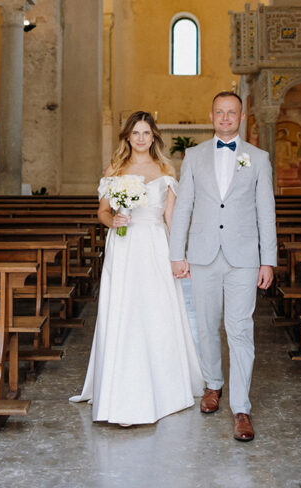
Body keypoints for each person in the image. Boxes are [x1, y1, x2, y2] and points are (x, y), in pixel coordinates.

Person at [70, 111, 203, 426]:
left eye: (147, 133)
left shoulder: (165, 170)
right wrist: (112, 220)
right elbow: (103, 211)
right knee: (124, 312)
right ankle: (119, 389)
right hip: (124, 247)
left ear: (154, 136)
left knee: (155, 312)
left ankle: (163, 389)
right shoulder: (114, 170)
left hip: (155, 247)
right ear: (127, 137)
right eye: (136, 133)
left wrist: (180, 256)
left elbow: (171, 219)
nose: (141, 138)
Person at [169, 91, 277, 442]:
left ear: (242, 117)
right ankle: (213, 385)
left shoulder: (258, 158)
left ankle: (241, 407)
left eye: (232, 113)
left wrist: (268, 260)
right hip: (202, 254)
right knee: (206, 325)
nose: (226, 118)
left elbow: (266, 212)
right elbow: (183, 206)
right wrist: (176, 253)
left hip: (244, 257)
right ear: (211, 115)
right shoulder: (195, 155)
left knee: (240, 329)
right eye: (220, 112)